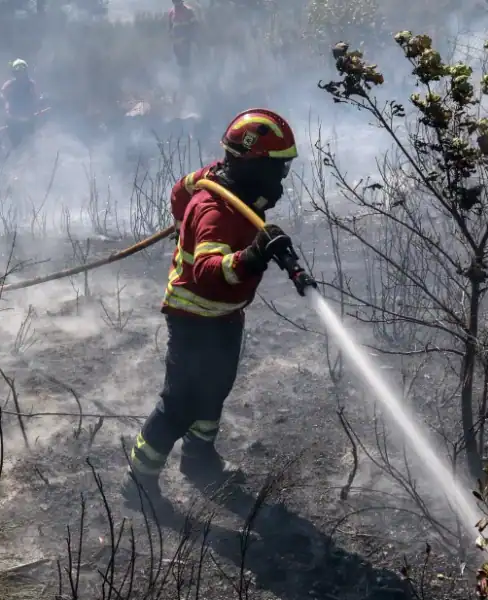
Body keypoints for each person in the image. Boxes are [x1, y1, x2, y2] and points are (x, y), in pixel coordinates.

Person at [125, 108, 299, 501]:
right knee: (179, 404)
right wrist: (251, 256)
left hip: (223, 316)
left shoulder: (223, 183)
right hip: (193, 319)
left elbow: (179, 190)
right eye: (278, 168)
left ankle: (199, 459)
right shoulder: (216, 210)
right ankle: (138, 481)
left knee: (216, 388)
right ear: (253, 164)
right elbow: (206, 272)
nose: (282, 178)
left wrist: (181, 220)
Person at [0, 59, 42, 146]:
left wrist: (39, 106)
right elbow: (3, 99)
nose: (20, 74)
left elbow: (36, 98)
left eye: (22, 72)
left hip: (28, 120)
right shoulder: (9, 85)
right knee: (16, 146)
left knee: (29, 144)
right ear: (14, 73)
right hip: (13, 121)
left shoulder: (31, 85)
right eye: (18, 72)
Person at [168, 0, 198, 69]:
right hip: (177, 41)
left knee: (188, 60)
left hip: (187, 40)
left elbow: (194, 26)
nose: (176, 3)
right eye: (175, 1)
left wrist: (192, 38)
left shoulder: (189, 11)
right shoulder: (171, 12)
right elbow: (169, 27)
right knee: (178, 60)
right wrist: (171, 38)